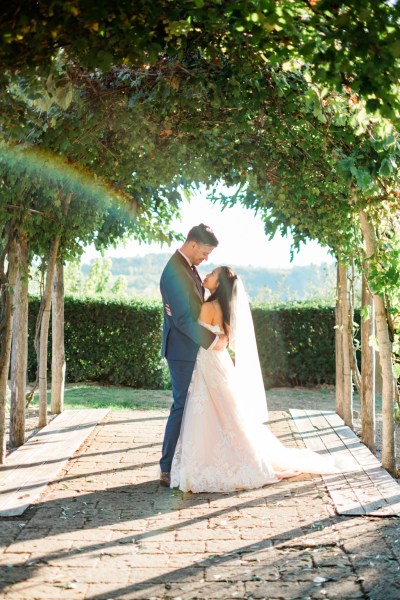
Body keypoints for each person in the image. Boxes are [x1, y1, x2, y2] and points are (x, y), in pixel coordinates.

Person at [170, 266, 358, 493]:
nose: (206, 276)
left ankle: (212, 462)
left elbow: (195, 334)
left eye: (211, 275)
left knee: (212, 412)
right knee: (228, 414)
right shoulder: (227, 308)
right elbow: (224, 339)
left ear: (218, 284)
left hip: (208, 364)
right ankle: (241, 455)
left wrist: (176, 315)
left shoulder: (208, 306)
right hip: (220, 363)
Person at [159, 224, 228, 487]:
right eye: (205, 252)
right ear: (193, 245)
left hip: (191, 349)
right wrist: (212, 341)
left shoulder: (188, 268)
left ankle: (185, 460)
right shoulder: (175, 271)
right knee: (181, 405)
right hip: (181, 350)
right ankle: (166, 467)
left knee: (191, 406)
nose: (206, 258)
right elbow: (184, 320)